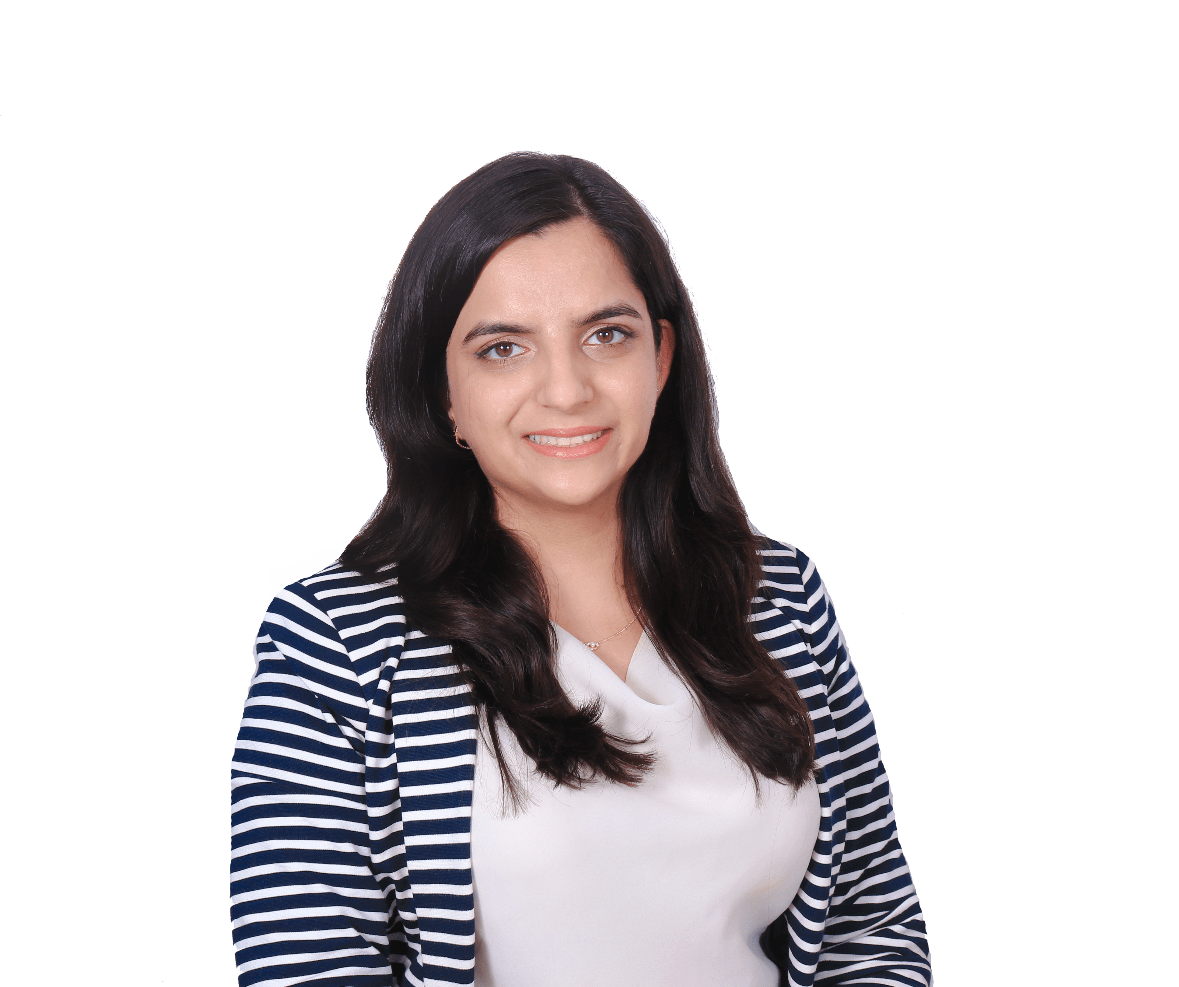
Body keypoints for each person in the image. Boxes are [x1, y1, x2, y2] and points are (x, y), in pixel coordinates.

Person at [230, 152, 931, 987]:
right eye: (502, 348)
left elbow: (867, 926)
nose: (565, 390)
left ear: (660, 358)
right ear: (442, 392)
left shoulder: (778, 598)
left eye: (606, 335)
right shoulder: (336, 641)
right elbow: (305, 965)